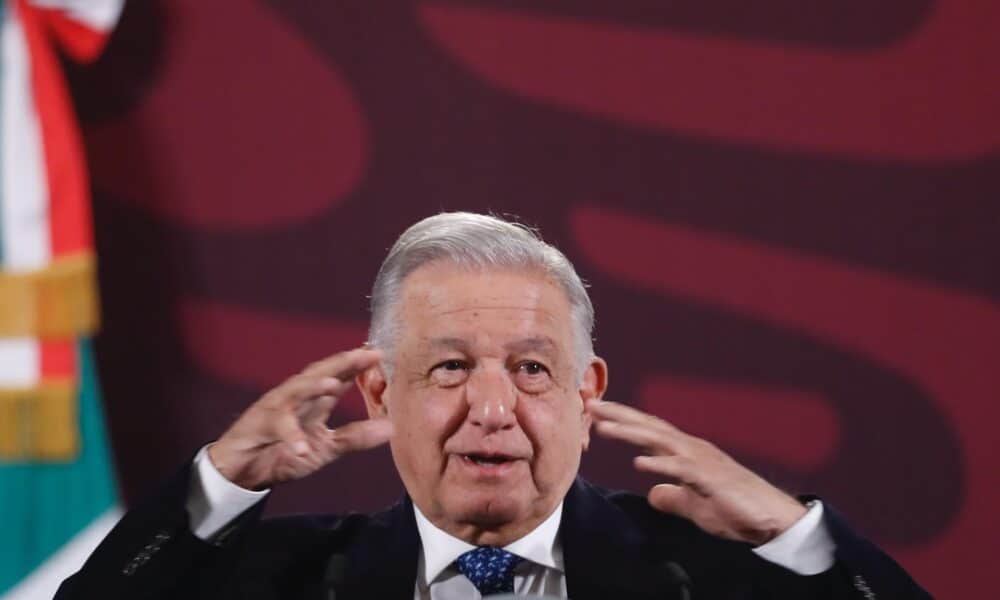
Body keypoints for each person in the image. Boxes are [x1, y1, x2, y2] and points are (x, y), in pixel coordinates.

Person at [56, 212, 929, 599]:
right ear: (379, 394)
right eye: (446, 368)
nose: (491, 408)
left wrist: (795, 536)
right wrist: (216, 486)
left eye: (532, 370)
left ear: (587, 397)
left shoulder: (717, 578)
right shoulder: (275, 577)